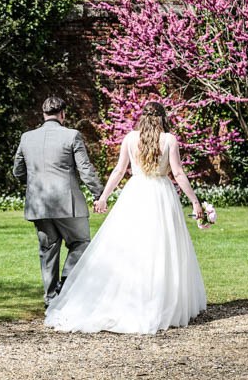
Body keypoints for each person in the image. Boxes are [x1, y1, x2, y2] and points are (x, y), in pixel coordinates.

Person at [44, 101, 207, 334]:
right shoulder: (169, 140)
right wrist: (194, 200)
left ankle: (130, 298)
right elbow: (178, 172)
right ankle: (158, 300)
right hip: (161, 194)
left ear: (142, 117)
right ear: (162, 117)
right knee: (161, 247)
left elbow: (119, 171)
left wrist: (103, 198)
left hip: (136, 193)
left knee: (130, 245)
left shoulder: (130, 138)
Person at [12, 96, 104, 307]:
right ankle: (64, 284)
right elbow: (85, 169)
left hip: (39, 204)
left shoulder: (27, 137)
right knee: (80, 243)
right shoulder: (72, 135)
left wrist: (35, 181)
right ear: (63, 114)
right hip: (68, 204)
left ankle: (50, 298)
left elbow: (17, 171)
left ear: (43, 114)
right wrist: (98, 193)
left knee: (48, 250)